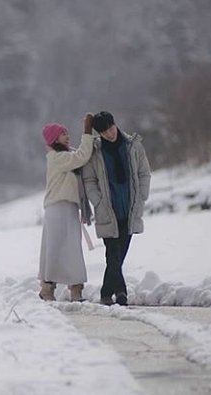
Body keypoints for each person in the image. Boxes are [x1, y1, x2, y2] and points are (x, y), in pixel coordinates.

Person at [82, 111, 151, 306]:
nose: (110, 134)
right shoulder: (96, 152)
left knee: (120, 254)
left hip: (130, 207)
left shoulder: (132, 145)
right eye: (104, 132)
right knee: (112, 252)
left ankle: (106, 292)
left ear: (115, 124)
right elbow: (89, 180)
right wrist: (98, 201)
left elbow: (144, 172)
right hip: (107, 209)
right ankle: (121, 293)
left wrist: (142, 196)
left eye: (111, 128)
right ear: (99, 134)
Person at [38, 114, 95, 302]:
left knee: (71, 249)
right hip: (57, 209)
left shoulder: (65, 155)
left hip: (68, 208)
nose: (67, 136)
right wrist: (87, 131)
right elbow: (82, 156)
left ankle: (75, 289)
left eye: (67, 133)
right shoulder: (57, 158)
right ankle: (48, 289)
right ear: (55, 139)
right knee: (54, 248)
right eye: (63, 134)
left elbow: (80, 156)